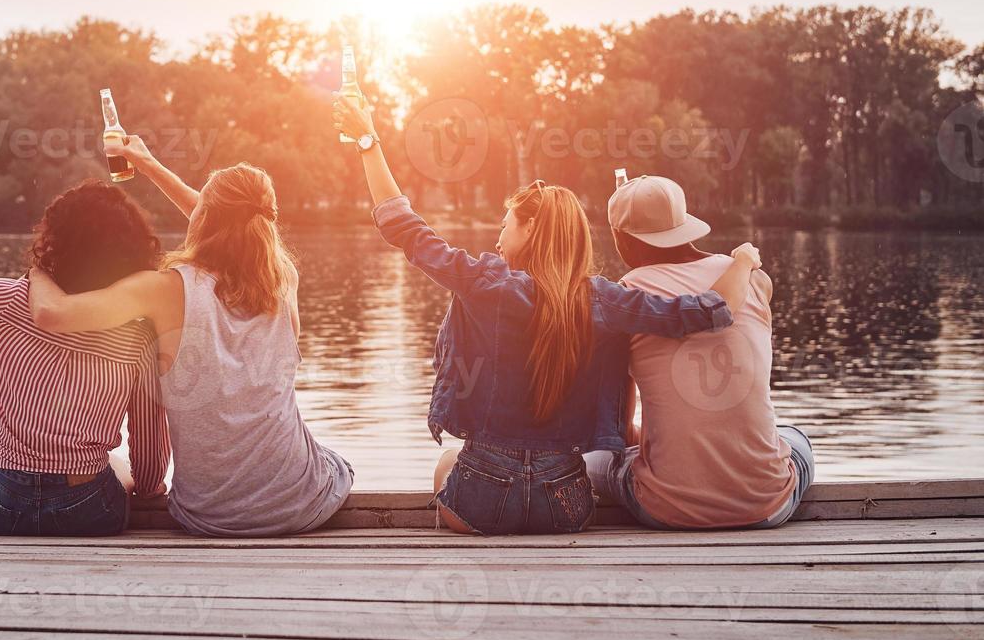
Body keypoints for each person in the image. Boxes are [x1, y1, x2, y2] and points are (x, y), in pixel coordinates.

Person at [332, 94, 763, 535]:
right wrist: (743, 260)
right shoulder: (606, 299)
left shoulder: (483, 282)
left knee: (446, 463)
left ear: (531, 228)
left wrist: (368, 142)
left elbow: (401, 225)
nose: (498, 240)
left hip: (478, 502)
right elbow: (713, 310)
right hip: (566, 508)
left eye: (505, 225)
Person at [28, 136, 353, 538]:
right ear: (267, 220)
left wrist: (42, 264)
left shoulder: (163, 290)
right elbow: (228, 219)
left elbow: (49, 313)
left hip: (210, 516)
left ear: (205, 218)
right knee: (333, 463)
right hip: (302, 504)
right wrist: (146, 162)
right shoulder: (284, 281)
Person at [0, 143, 170, 536]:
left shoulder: (6, 300)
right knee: (118, 467)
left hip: (4, 504)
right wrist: (149, 487)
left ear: (52, 240)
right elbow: (149, 455)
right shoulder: (137, 334)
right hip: (87, 507)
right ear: (134, 251)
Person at [584, 174, 815, 529]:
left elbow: (618, 425)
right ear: (683, 225)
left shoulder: (628, 296)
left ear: (621, 238)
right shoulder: (755, 280)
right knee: (794, 437)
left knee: (601, 458)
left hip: (666, 510)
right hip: (768, 505)